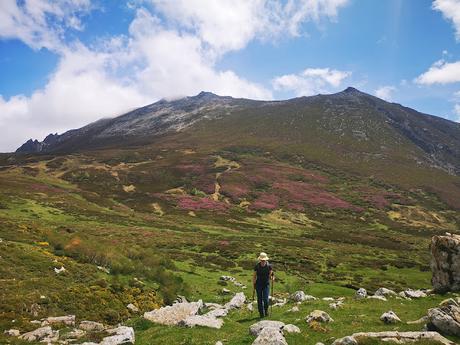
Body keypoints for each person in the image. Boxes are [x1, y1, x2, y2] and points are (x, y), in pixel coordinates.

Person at [252, 252, 274, 318]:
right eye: (262, 260)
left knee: (266, 299)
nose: (263, 261)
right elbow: (254, 276)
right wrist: (253, 284)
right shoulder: (257, 266)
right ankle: (261, 314)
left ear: (266, 260)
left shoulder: (269, 266)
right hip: (258, 284)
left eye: (264, 260)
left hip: (266, 284)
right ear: (260, 260)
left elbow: (271, 275)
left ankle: (266, 311)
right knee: (259, 299)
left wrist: (272, 278)